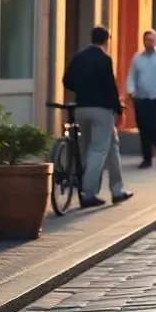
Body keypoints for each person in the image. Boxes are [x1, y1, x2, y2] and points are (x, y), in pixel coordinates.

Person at [62, 26, 134, 208]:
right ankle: (88, 193)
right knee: (98, 150)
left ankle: (117, 190)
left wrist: (81, 89)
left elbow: (66, 80)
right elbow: (110, 87)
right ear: (106, 40)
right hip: (101, 110)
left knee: (110, 145)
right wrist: (118, 109)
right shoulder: (104, 59)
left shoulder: (79, 56)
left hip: (81, 108)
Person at [126, 29, 156, 168]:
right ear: (143, 41)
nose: (149, 42)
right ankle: (147, 158)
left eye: (152, 40)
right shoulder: (137, 57)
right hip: (140, 98)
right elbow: (131, 76)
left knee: (151, 126)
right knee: (143, 128)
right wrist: (131, 91)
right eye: (147, 40)